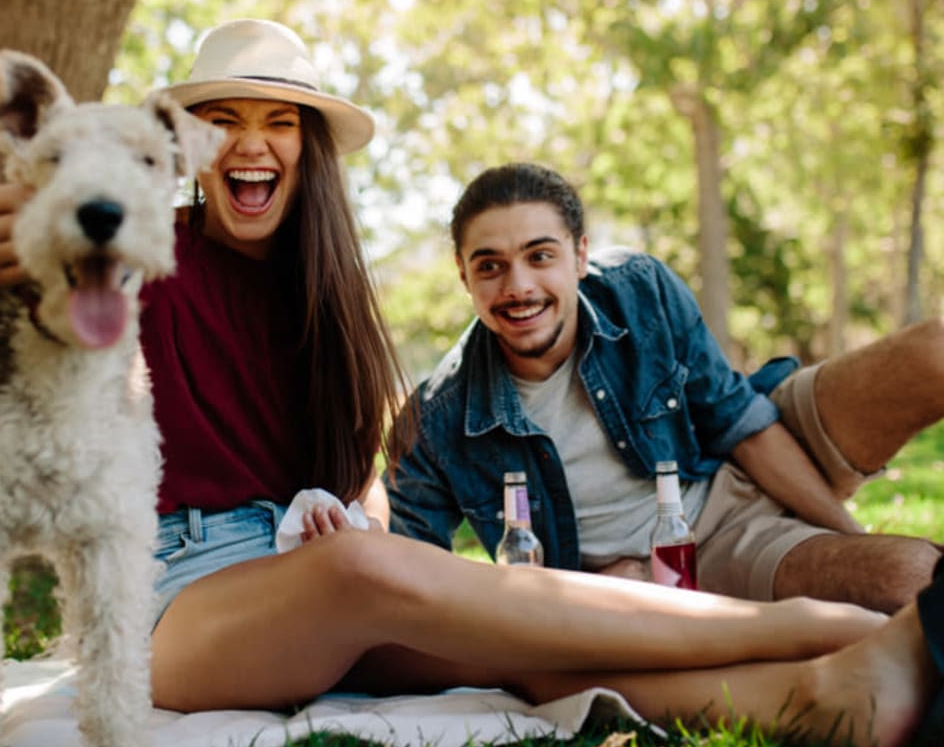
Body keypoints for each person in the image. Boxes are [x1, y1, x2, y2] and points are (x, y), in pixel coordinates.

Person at [0, 20, 944, 747]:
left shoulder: (330, 298)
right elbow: (40, 236)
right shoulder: (139, 248)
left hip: (294, 566)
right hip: (170, 597)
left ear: (308, 149)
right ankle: (828, 625)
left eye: (277, 122)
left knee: (517, 649)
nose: (249, 143)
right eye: (222, 121)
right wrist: (9, 225)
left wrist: (340, 505)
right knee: (381, 575)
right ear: (189, 150)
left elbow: (365, 478)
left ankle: (828, 687)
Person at [387, 162, 943, 614]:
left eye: (540, 256)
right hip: (692, 560)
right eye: (490, 267)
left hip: (735, 457)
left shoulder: (638, 288)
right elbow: (405, 574)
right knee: (911, 578)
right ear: (464, 277)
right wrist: (599, 590)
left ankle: (833, 537)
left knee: (934, 351)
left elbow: (736, 420)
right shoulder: (436, 423)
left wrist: (848, 534)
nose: (519, 287)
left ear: (579, 255)